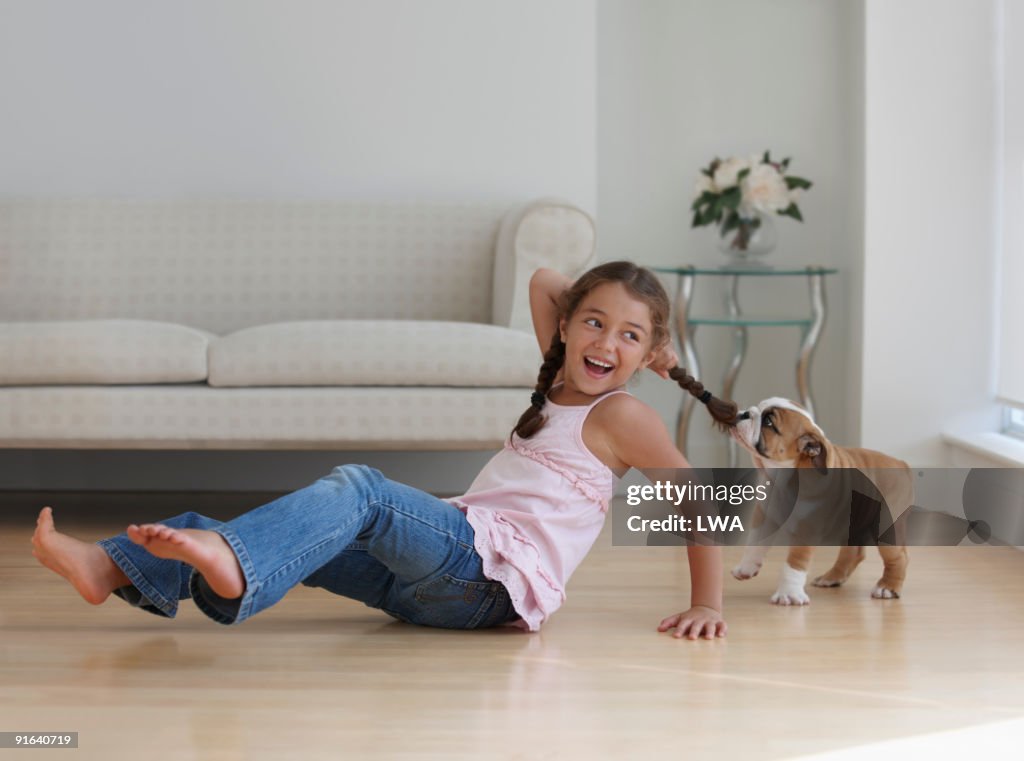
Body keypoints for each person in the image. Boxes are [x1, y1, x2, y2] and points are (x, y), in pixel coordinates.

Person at [31, 261, 738, 639]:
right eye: (593, 322)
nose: (604, 344)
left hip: (488, 581)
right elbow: (546, 279)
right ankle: (112, 567)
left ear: (646, 353)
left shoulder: (625, 413)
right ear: (569, 328)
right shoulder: (561, 375)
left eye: (628, 336)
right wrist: (627, 331)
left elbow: (696, 497)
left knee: (361, 490)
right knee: (299, 529)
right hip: (440, 581)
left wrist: (708, 602)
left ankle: (232, 566)